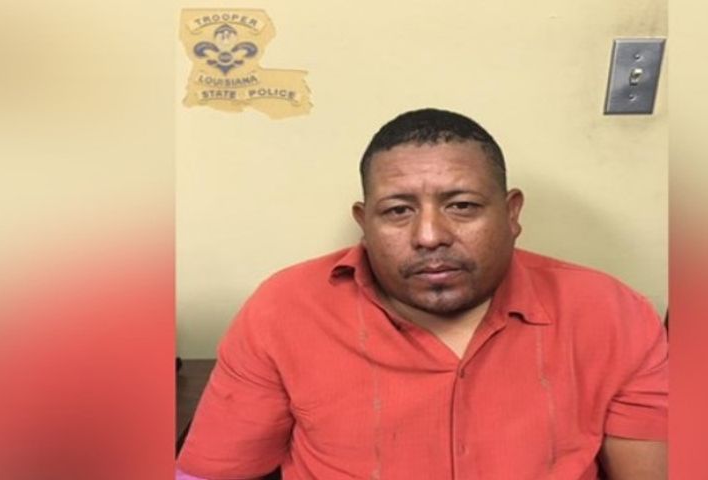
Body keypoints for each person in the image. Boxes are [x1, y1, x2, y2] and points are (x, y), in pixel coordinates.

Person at [176, 108, 668, 480]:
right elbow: (212, 473)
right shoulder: (284, 310)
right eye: (398, 211)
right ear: (364, 222)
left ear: (511, 213)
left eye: (462, 206)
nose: (430, 236)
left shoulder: (611, 314)